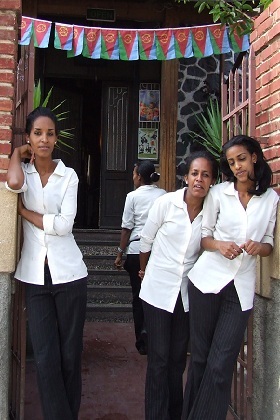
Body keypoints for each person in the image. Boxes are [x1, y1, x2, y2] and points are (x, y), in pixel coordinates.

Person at [182, 135, 279, 420]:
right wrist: (221, 245)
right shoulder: (220, 193)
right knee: (200, 360)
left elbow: (270, 242)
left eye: (242, 159)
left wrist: (259, 247)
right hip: (207, 282)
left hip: (240, 289)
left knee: (221, 365)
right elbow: (205, 237)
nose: (237, 166)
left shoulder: (270, 198)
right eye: (232, 162)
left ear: (255, 157)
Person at [6, 106, 88, 420]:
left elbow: (65, 225)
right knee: (44, 358)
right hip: (35, 278)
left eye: (50, 133)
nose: (44, 139)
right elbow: (13, 184)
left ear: (56, 138)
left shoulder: (69, 176)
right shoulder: (24, 172)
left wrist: (25, 214)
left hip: (70, 275)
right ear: (29, 137)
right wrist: (16, 152)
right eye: (37, 133)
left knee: (69, 356)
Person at [138, 150, 219, 420]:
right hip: (158, 290)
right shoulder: (166, 203)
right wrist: (143, 269)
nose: (199, 179)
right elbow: (145, 241)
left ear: (212, 181)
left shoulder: (213, 211)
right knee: (159, 360)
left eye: (205, 175)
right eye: (195, 173)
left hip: (186, 295)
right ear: (186, 177)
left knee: (176, 361)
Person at [114, 160, 166, 355]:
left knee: (138, 297)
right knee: (157, 296)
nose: (133, 177)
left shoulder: (132, 197)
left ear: (139, 177)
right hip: (157, 251)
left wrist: (120, 252)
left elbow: (127, 228)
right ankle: (157, 336)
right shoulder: (163, 195)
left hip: (136, 251)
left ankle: (142, 341)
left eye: (134, 174)